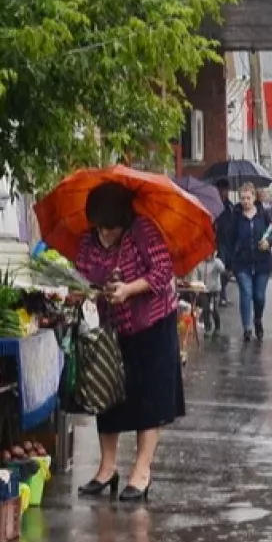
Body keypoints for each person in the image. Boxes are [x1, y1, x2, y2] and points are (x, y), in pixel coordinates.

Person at [73, 183, 183, 503]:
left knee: (149, 401)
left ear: (123, 220)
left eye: (111, 229)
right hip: (111, 330)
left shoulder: (142, 231)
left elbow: (162, 271)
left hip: (152, 324)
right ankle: (107, 469)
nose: (105, 235)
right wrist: (91, 290)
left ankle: (141, 472)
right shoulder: (88, 240)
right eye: (100, 229)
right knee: (107, 397)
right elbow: (80, 274)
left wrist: (129, 289)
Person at [221, 183, 272, 341]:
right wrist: (229, 262)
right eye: (242, 198)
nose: (245, 201)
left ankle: (258, 319)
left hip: (262, 262)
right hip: (242, 263)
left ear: (254, 197)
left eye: (248, 198)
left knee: (259, 296)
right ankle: (247, 328)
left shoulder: (263, 214)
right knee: (246, 293)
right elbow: (230, 239)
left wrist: (268, 242)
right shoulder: (236, 216)